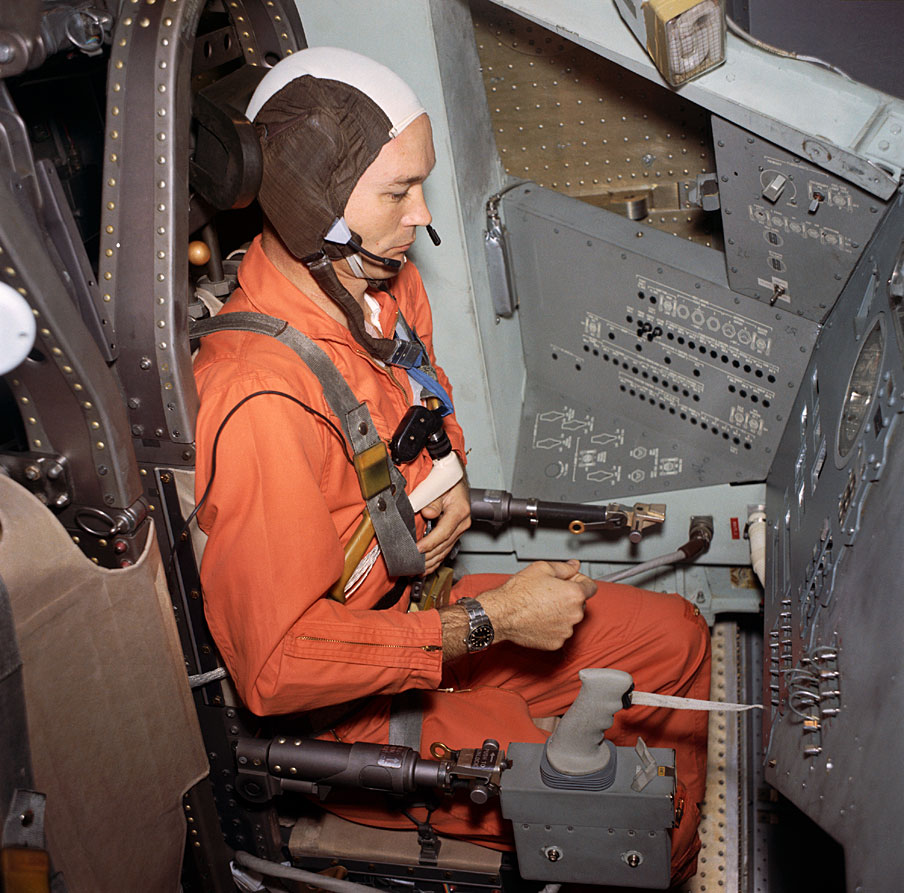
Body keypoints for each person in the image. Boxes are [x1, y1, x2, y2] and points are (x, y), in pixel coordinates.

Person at [193, 47, 711, 885]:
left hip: (418, 609)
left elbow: (429, 414)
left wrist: (453, 480)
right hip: (341, 715)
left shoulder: (384, 295)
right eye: (398, 192)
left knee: (676, 640)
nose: (423, 213)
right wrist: (493, 621)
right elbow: (277, 665)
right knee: (640, 814)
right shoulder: (260, 401)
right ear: (308, 196)